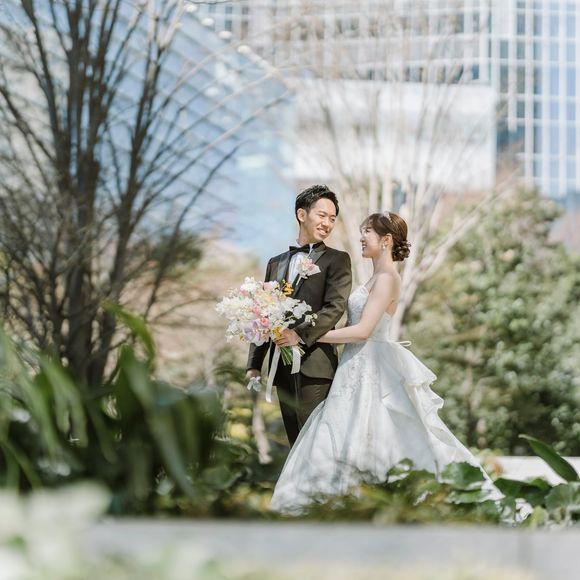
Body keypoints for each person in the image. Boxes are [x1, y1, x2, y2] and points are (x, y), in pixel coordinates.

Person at [270, 210, 500, 513]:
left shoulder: (389, 278)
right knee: (343, 432)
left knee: (378, 430)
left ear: (386, 239)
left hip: (372, 365)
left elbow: (363, 331)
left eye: (367, 231)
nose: (361, 237)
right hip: (351, 367)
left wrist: (303, 335)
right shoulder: (373, 278)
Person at [245, 185, 352, 446]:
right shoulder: (275, 262)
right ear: (302, 214)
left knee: (315, 443)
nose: (327, 223)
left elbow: (335, 307)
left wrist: (299, 335)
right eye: (322, 215)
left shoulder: (337, 259)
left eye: (332, 218)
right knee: (295, 444)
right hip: (281, 368)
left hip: (316, 366)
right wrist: (254, 364)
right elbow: (264, 314)